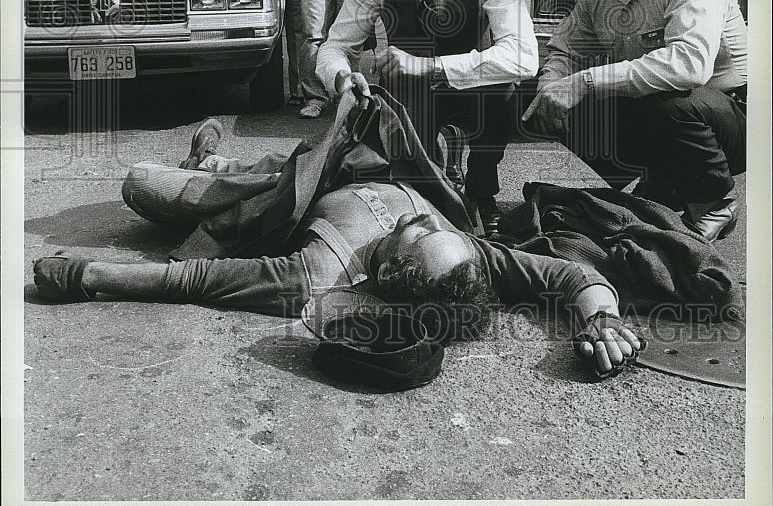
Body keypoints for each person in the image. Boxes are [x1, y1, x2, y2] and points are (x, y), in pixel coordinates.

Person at [33, 114, 641, 380]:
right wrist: (604, 319)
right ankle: (212, 156)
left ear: (395, 270)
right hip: (321, 155)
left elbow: (192, 280)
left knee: (141, 181)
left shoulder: (319, 275)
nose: (424, 219)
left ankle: (207, 164)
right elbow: (566, 276)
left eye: (421, 230)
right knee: (268, 160)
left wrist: (87, 274)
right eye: (439, 224)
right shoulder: (463, 257)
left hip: (267, 195)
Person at [522, 0, 747, 243]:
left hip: (733, 120)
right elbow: (566, 50)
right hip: (666, 116)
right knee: (535, 99)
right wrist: (550, 88)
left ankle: (714, 202)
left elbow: (688, 65)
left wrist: (585, 82)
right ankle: (661, 182)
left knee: (673, 102)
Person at [316, 0, 540, 236]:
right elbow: (336, 46)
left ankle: (482, 192)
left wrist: (431, 66)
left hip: (473, 89)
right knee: (414, 190)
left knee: (504, 89)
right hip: (407, 93)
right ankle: (429, 180)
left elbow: (525, 57)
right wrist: (342, 79)